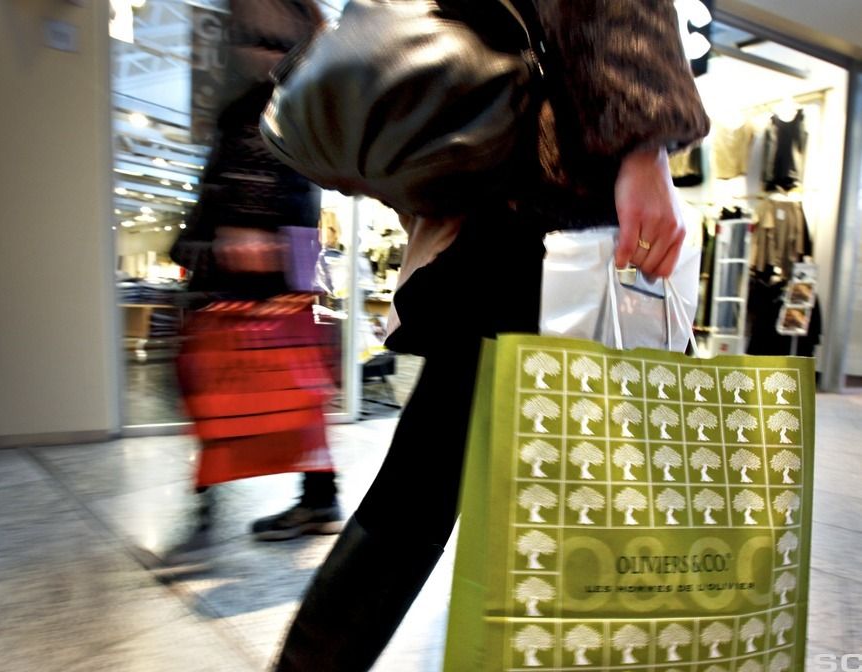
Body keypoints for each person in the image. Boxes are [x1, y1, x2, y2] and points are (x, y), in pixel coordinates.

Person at [271, 1, 710, 669]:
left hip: (494, 208)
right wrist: (642, 143)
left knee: (423, 483)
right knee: (586, 477)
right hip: (556, 206)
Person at [168, 0, 341, 555]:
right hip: (278, 253)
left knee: (235, 376)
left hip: (263, 255)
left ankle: (217, 505)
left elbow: (268, 172)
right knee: (274, 378)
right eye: (247, 36)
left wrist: (244, 227)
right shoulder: (286, 99)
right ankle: (315, 497)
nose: (255, 49)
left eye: (270, 41)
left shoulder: (269, 103)